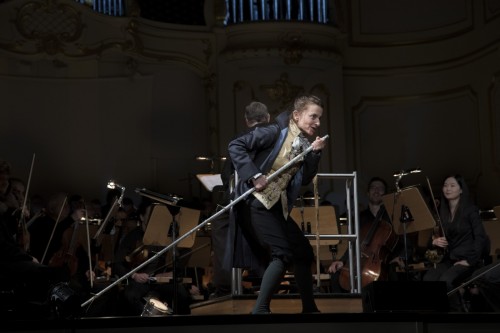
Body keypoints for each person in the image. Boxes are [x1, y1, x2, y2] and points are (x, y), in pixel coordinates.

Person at [228, 94, 326, 314]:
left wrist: (315, 154)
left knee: (302, 252)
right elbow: (235, 146)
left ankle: (309, 309)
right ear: (297, 115)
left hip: (275, 206)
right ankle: (260, 310)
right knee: (282, 254)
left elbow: (307, 179)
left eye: (319, 118)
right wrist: (253, 175)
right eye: (313, 117)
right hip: (258, 203)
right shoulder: (274, 132)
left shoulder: (304, 143)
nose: (318, 123)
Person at [210, 101, 271, 299]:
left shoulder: (240, 139)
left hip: (239, 201)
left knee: (221, 230)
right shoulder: (275, 135)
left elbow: (226, 174)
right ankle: (264, 284)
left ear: (247, 121)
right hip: (266, 201)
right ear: (267, 117)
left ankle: (225, 290)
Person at [422, 174, 489, 312]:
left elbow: (481, 238)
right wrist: (435, 241)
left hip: (468, 258)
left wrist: (470, 261)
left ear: (461, 190)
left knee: (446, 281)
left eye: (453, 185)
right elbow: (430, 240)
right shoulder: (442, 213)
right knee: (428, 279)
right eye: (445, 185)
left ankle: (456, 313)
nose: (448, 188)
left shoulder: (471, 210)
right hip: (449, 259)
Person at [327, 177, 403, 292]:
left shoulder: (392, 218)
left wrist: (399, 257)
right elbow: (353, 245)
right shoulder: (359, 218)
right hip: (360, 260)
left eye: (380, 188)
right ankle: (347, 307)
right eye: (373, 188)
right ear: (368, 193)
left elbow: (403, 242)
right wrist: (342, 261)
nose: (376, 191)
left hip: (385, 261)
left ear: (385, 194)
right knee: (336, 274)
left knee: (390, 273)